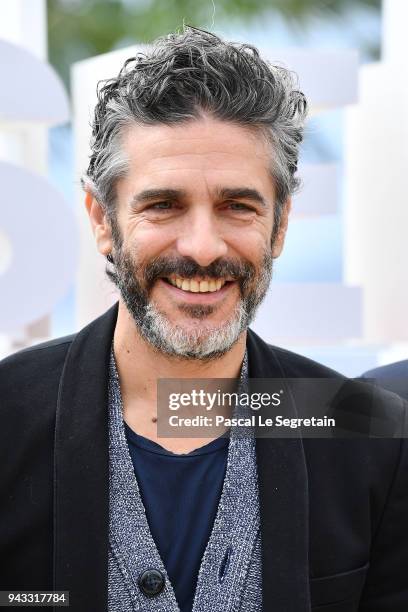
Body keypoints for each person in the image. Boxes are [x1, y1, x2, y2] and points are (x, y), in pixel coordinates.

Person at [1, 28, 407, 612]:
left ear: (282, 223)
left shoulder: (367, 433)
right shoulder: (7, 418)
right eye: (162, 204)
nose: (202, 247)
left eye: (237, 206)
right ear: (101, 219)